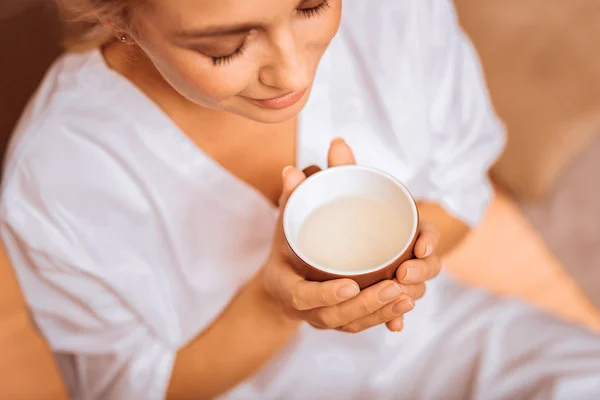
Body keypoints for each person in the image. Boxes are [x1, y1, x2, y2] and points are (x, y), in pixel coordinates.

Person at [1, 0, 599, 398]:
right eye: (225, 48)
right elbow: (130, 386)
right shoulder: (58, 180)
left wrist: (400, 260)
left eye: (312, 4)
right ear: (117, 15)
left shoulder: (394, 13)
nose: (292, 74)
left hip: (443, 346)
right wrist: (277, 302)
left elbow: (461, 181)